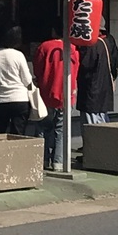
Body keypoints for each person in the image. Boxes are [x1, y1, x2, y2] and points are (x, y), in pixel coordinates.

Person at [33, 21, 80, 171]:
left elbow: (37, 69)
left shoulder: (44, 47)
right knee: (61, 130)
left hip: (46, 93)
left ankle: (43, 160)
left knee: (42, 127)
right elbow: (76, 71)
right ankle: (58, 163)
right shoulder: (72, 49)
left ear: (54, 30)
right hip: (67, 94)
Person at [0, 24, 35, 135]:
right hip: (20, 99)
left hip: (0, 100)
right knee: (18, 133)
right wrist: (33, 90)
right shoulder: (18, 55)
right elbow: (27, 80)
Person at [77, 16, 118, 125]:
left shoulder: (91, 44)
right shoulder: (109, 41)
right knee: (103, 123)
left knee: (91, 128)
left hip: (91, 92)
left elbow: (84, 65)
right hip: (105, 90)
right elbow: (117, 63)